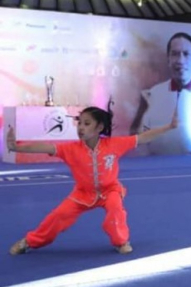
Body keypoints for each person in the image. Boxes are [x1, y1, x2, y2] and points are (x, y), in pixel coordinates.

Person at [7, 106, 178, 255]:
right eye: (79, 123)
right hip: (82, 194)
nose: (80, 128)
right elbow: (45, 147)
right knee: (58, 216)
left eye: (87, 124)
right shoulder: (70, 149)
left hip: (110, 190)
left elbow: (142, 138)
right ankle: (30, 242)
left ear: (100, 127)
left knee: (115, 208)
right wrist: (17, 147)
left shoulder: (114, 144)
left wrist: (169, 127)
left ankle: (121, 242)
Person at [130, 32, 191, 155]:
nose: (180, 61)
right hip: (157, 166)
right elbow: (139, 139)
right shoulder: (152, 95)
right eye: (175, 54)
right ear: (168, 60)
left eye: (186, 54)